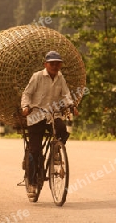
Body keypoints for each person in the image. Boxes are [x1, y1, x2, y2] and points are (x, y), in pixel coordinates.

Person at [21, 50, 78, 197]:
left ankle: (56, 152)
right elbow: (27, 93)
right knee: (35, 150)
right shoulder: (37, 77)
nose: (55, 66)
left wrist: (71, 105)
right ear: (45, 64)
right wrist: (25, 106)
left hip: (53, 114)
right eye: (52, 63)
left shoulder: (60, 78)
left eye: (58, 63)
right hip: (36, 115)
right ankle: (32, 183)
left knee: (63, 131)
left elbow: (66, 95)